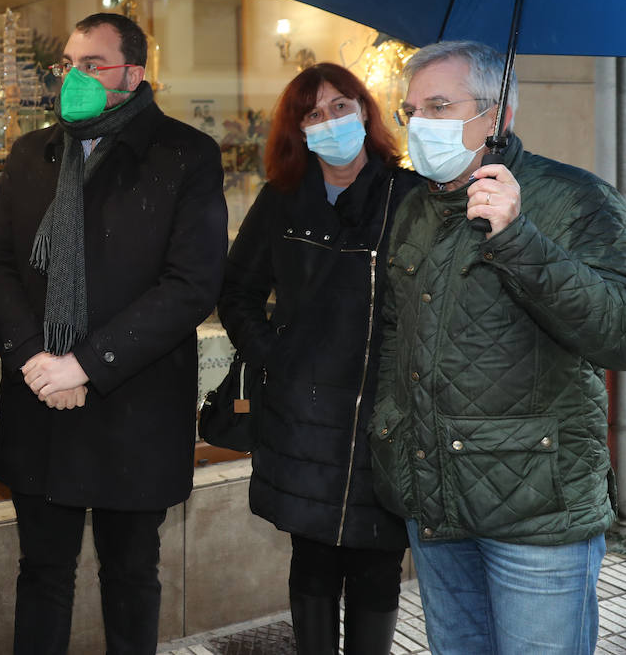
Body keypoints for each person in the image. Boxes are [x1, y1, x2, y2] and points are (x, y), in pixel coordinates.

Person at [0, 12, 228, 655]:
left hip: (132, 406)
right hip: (42, 407)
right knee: (44, 576)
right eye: (68, 63)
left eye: (93, 64)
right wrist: (35, 357)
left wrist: (84, 365)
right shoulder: (36, 153)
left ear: (134, 74)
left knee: (132, 576)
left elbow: (190, 284)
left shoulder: (185, 155)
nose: (74, 77)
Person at [369, 40, 626, 654]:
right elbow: (393, 334)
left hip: (538, 512)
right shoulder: (415, 209)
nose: (420, 125)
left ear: (498, 116)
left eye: (439, 105)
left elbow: (616, 332)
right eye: (411, 111)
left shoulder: (577, 199)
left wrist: (517, 238)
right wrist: (390, 426)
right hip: (435, 500)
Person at [217, 64, 421, 654]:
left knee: (379, 561)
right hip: (303, 415)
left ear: (364, 111)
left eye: (340, 106)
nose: (329, 121)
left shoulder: (407, 197)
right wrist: (274, 357)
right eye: (312, 113)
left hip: (383, 415)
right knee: (311, 558)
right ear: (297, 131)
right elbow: (237, 292)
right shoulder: (282, 201)